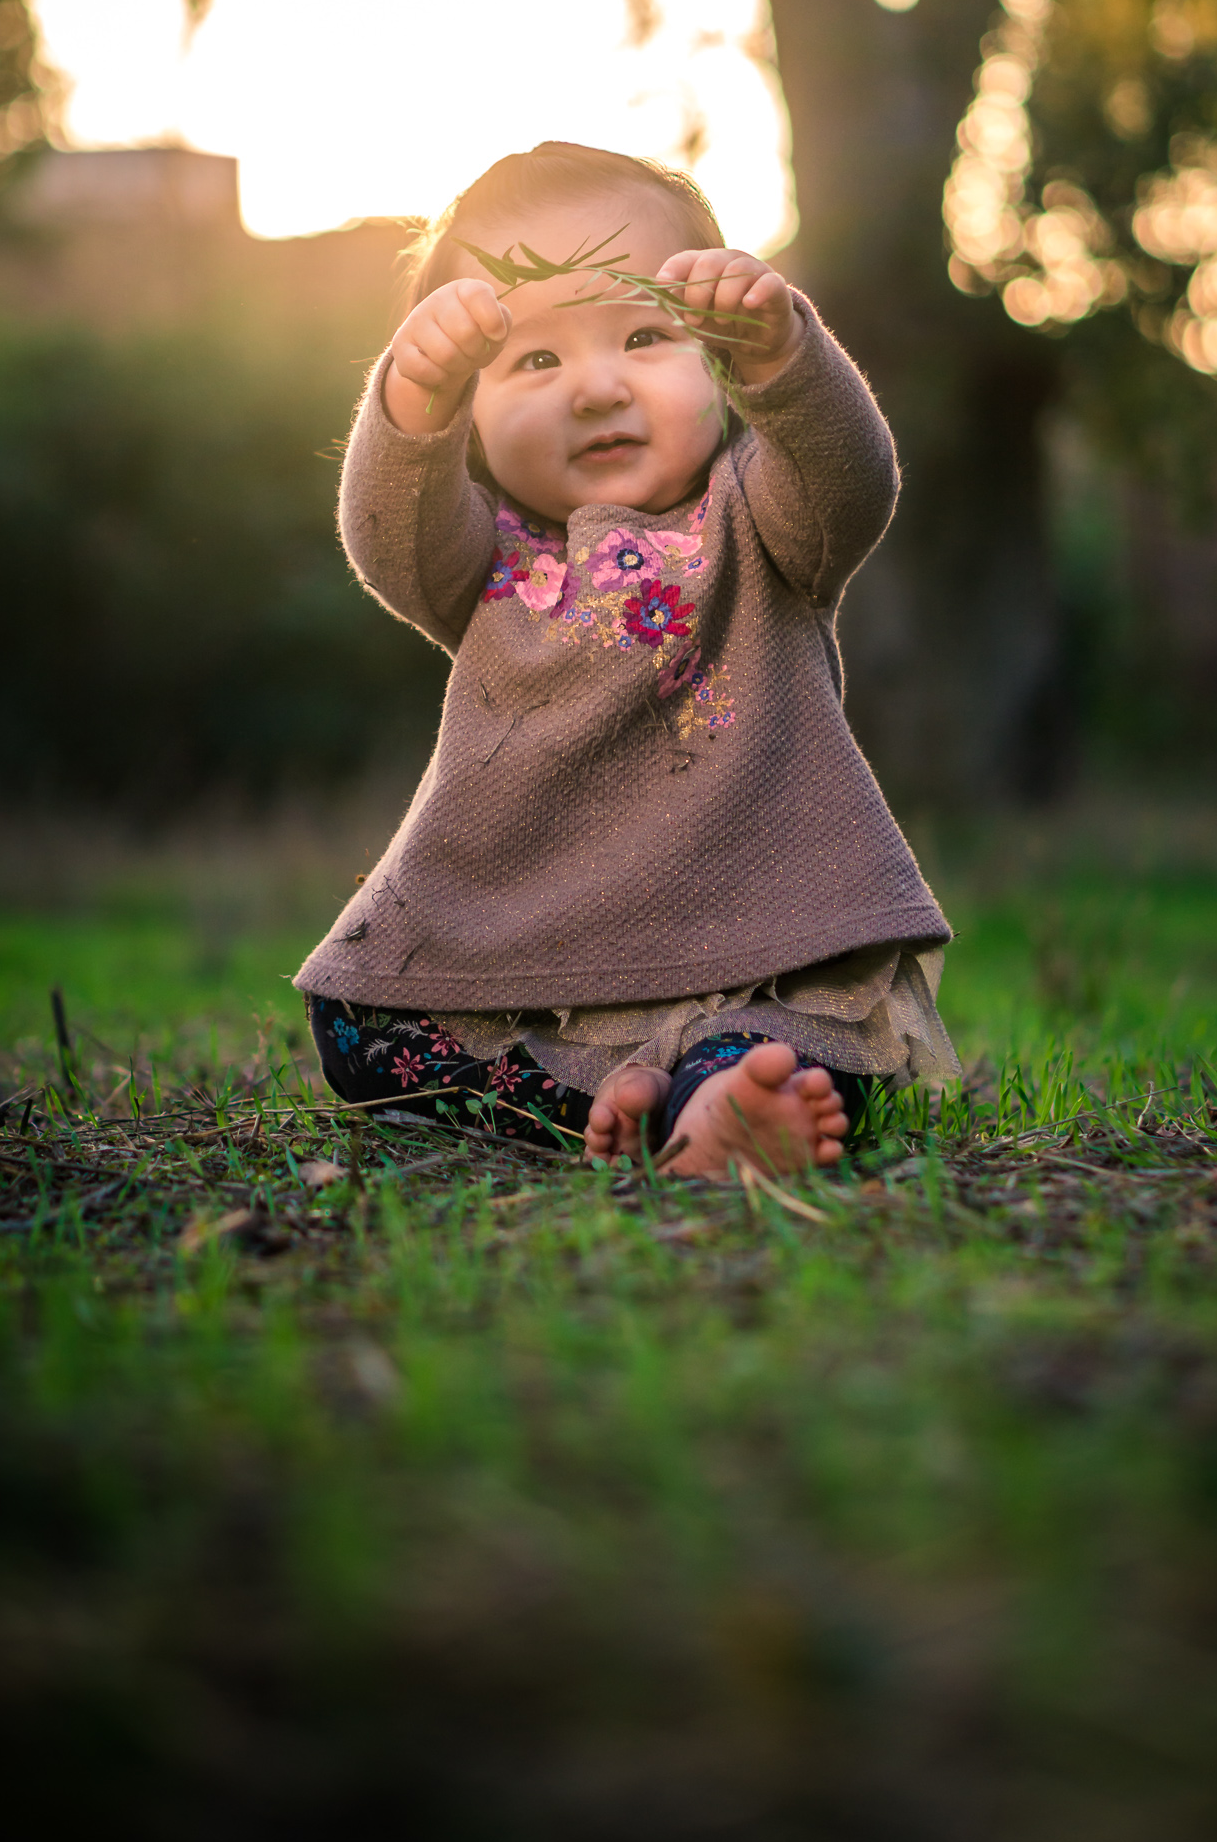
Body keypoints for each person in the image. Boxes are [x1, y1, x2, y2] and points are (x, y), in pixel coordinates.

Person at [296, 140, 957, 1177]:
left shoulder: (759, 517)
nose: (597, 388)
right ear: (472, 416)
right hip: (530, 967)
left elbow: (851, 479)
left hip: (759, 960)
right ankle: (616, 1103)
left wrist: (788, 359)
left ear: (720, 361)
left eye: (645, 335)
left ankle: (721, 1102)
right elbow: (389, 538)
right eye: (535, 360)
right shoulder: (481, 558)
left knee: (793, 1054)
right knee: (357, 1024)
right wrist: (408, 404)